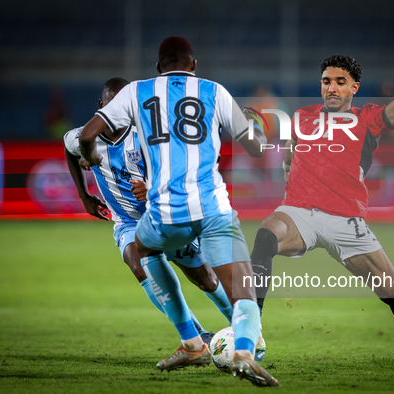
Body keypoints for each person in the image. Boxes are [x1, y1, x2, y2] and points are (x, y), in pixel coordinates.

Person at [251, 26, 394, 370]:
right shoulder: (302, 117)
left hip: (346, 221)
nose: (331, 87)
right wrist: (292, 179)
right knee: (264, 236)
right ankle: (252, 330)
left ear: (354, 87)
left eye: (339, 81)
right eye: (326, 81)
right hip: (299, 212)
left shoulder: (367, 118)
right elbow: (291, 158)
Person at [78, 37, 279, 387]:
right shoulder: (215, 91)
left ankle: (190, 338)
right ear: (194, 65)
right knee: (243, 293)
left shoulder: (136, 91)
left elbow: (88, 135)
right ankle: (245, 349)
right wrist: (256, 125)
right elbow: (257, 149)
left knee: (140, 252)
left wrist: (92, 157)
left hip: (164, 213)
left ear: (158, 67)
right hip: (214, 209)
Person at [64, 77, 234, 344]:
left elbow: (182, 171)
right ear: (101, 106)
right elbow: (69, 149)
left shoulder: (148, 137)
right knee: (140, 267)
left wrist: (152, 186)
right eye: (113, 105)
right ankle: (197, 335)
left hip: (165, 217)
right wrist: (84, 195)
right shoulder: (84, 137)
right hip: (127, 223)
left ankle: (244, 326)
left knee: (205, 280)